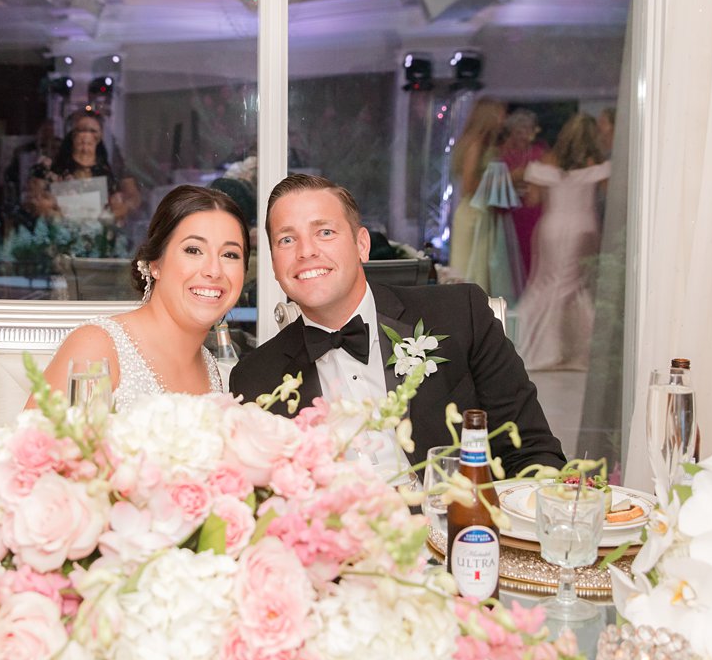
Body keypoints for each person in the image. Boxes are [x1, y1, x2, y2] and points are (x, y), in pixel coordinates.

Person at [230, 174, 565, 476]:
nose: (306, 251)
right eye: (286, 240)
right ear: (273, 264)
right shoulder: (257, 378)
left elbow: (533, 452)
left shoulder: (460, 315)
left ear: (362, 245)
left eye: (325, 232)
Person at [32, 185, 247, 411]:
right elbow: (34, 445)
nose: (214, 270)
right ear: (156, 264)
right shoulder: (97, 348)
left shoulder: (212, 370)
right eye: (193, 250)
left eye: (230, 255)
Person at [514, 114, 612, 372]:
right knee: (575, 288)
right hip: (584, 227)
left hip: (551, 228)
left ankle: (543, 347)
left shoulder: (546, 162)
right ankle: (576, 350)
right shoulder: (597, 164)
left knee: (547, 284)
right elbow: (612, 196)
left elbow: (532, 201)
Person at [447, 98, 524, 301]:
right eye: (500, 113)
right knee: (471, 271)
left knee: (482, 271)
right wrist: (507, 179)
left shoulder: (484, 143)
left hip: (481, 215)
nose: (504, 119)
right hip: (474, 216)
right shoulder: (476, 144)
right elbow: (468, 185)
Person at [29, 109, 143, 225]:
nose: (86, 136)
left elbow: (133, 196)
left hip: (103, 232)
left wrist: (124, 207)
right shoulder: (49, 167)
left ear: (100, 135)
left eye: (92, 131)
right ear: (71, 135)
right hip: (61, 232)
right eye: (80, 130)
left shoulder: (114, 166)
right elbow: (34, 197)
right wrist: (45, 208)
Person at [499, 108, 548, 278]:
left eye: (528, 129)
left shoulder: (539, 152)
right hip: (510, 210)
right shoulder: (503, 153)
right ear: (512, 131)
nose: (524, 134)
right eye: (520, 130)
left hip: (532, 211)